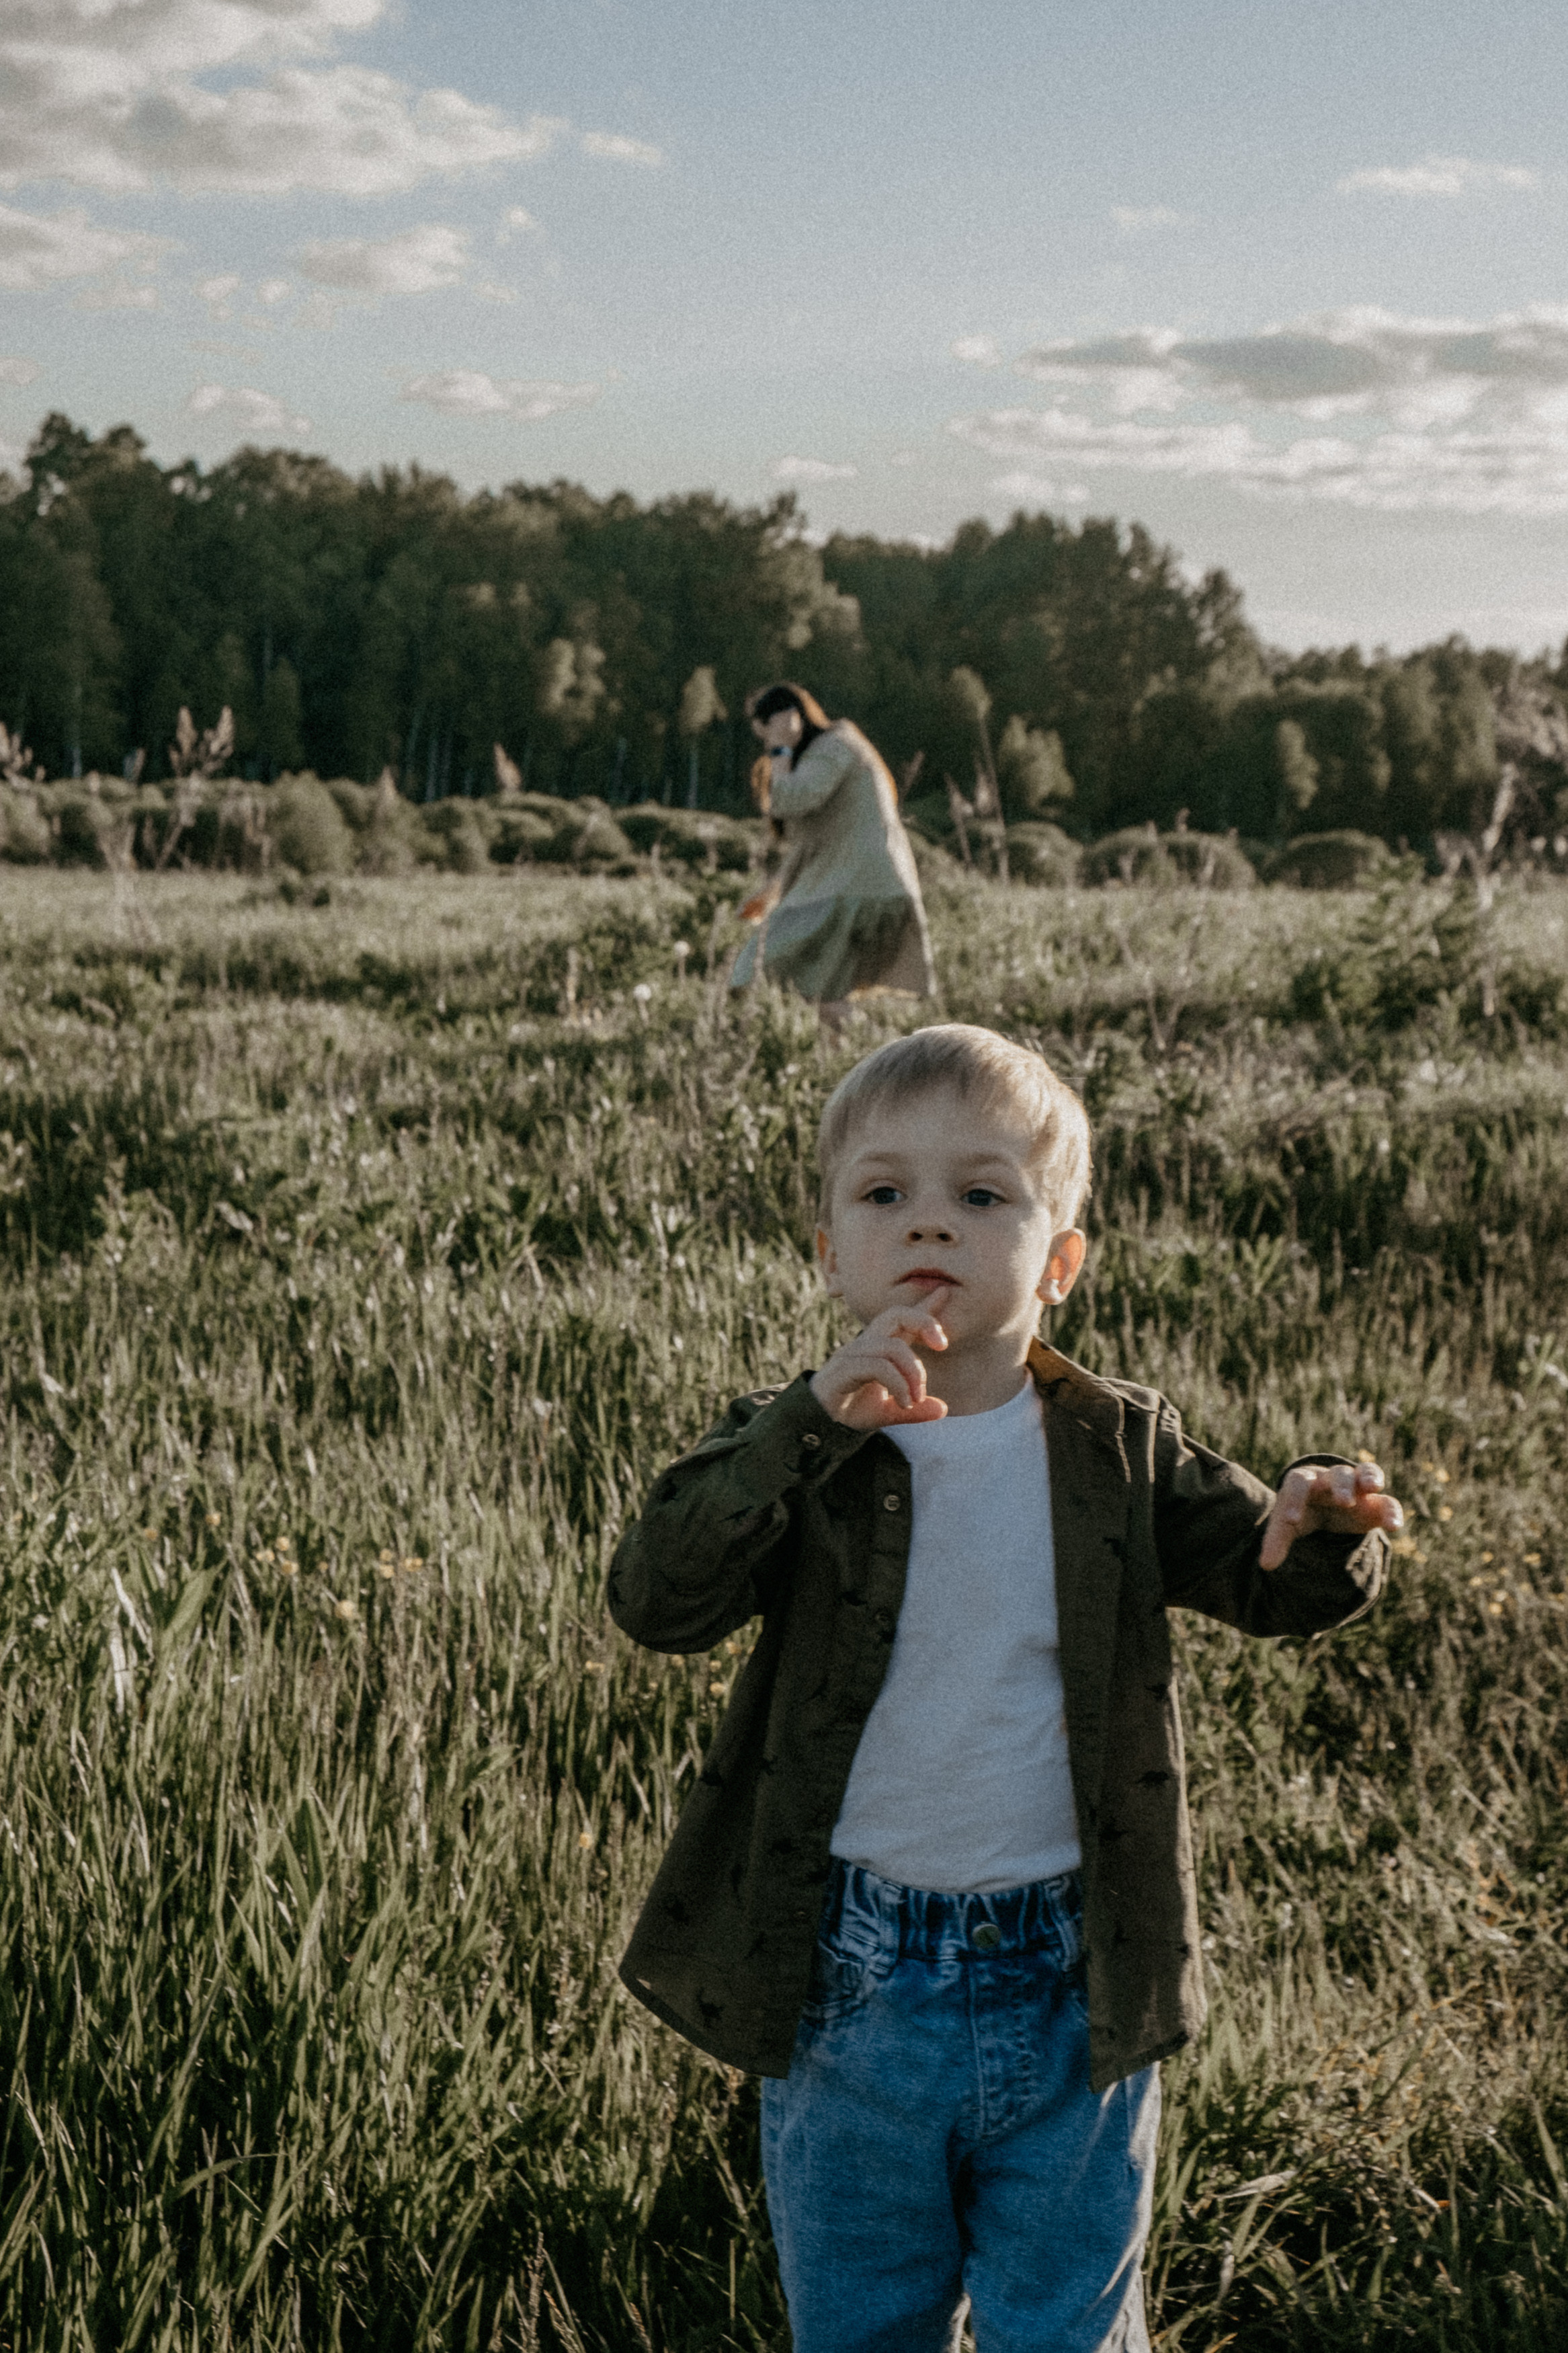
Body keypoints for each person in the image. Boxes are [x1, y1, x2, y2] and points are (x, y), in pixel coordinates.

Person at [607, 1023, 1402, 2352]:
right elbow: (655, 1598)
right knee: (863, 2326)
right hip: (843, 1984)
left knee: (1069, 2330)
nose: (930, 1222)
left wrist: (1322, 1527)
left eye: (981, 1195)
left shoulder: (1117, 1448)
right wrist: (802, 1424)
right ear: (830, 1253)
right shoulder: (797, 1445)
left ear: (1059, 1259)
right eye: (883, 1195)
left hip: (1072, 1979)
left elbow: (1267, 1578)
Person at [732, 682, 934, 1021]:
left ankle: (870, 1055)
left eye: (768, 733)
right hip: (855, 888)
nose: (767, 746)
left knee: (757, 969)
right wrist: (771, 893)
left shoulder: (835, 747)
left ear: (789, 719)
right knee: (821, 995)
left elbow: (789, 800)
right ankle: (860, 1060)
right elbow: (814, 843)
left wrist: (782, 750)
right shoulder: (828, 753)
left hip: (853, 891)